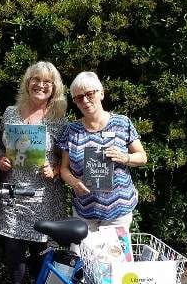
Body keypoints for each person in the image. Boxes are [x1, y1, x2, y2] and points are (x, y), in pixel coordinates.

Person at [0, 61, 68, 284]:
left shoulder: (59, 120)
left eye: (47, 82)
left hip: (44, 194)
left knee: (40, 250)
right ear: (27, 83)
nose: (40, 85)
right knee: (13, 248)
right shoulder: (10, 112)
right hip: (14, 190)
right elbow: (1, 146)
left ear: (54, 88)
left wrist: (56, 170)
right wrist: (1, 160)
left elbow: (69, 161)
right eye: (36, 80)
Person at [58, 71, 147, 234]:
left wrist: (125, 157)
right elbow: (63, 168)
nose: (85, 100)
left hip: (119, 209)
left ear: (101, 94)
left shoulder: (122, 123)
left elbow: (142, 157)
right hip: (84, 210)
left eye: (89, 94)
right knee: (82, 257)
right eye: (78, 97)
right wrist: (73, 182)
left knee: (114, 258)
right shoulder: (71, 130)